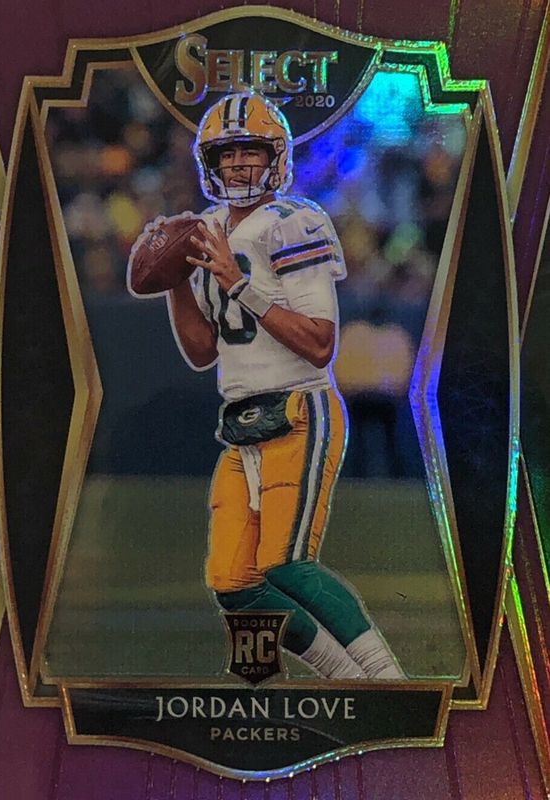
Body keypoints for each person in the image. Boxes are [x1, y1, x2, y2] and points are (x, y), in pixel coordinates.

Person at [131, 92, 405, 680]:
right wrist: (176, 280)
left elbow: (320, 344)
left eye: (249, 152)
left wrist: (239, 284)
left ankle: (387, 680)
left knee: (286, 565)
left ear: (275, 157)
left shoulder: (295, 221)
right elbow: (203, 352)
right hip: (242, 420)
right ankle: (349, 680)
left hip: (300, 407)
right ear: (209, 163)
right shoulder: (204, 229)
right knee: (234, 583)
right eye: (226, 155)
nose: (237, 166)